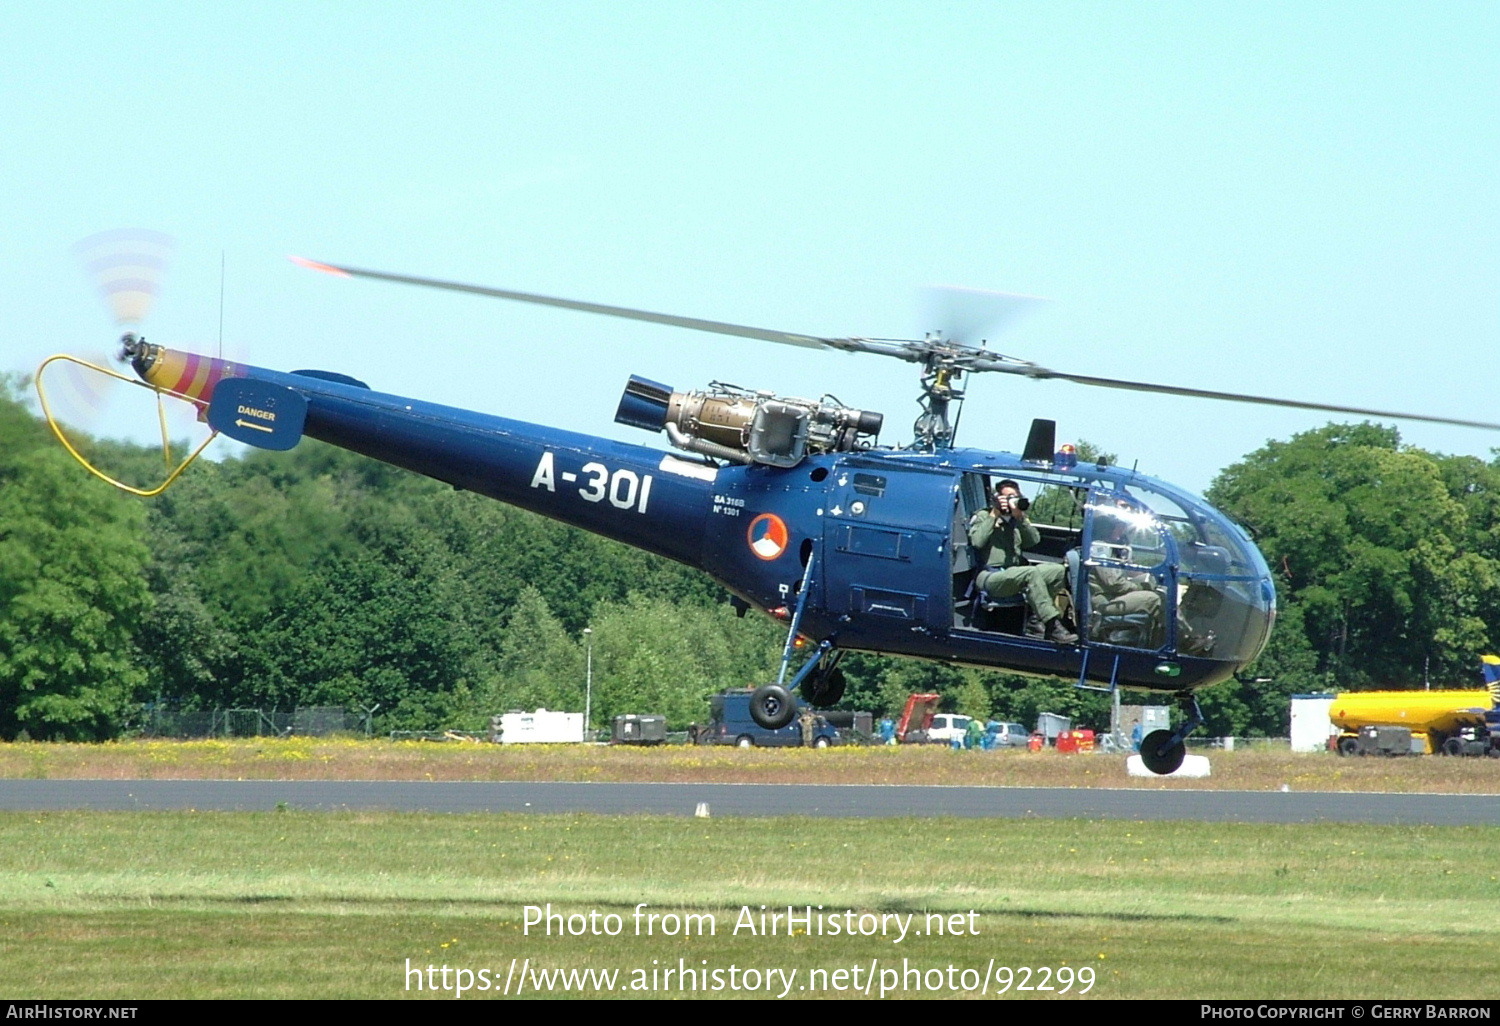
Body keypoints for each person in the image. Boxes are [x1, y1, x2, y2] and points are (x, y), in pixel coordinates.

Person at [967, 479, 1078, 644]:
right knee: (1030, 573)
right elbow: (977, 541)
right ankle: (1052, 624)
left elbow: (1034, 540)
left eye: (1015, 496)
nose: (1012, 500)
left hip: (1016, 573)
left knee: (1058, 571)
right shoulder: (984, 515)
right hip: (990, 576)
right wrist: (995, 514)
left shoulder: (1016, 520)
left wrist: (1021, 518)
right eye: (1007, 497)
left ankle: (1035, 620)